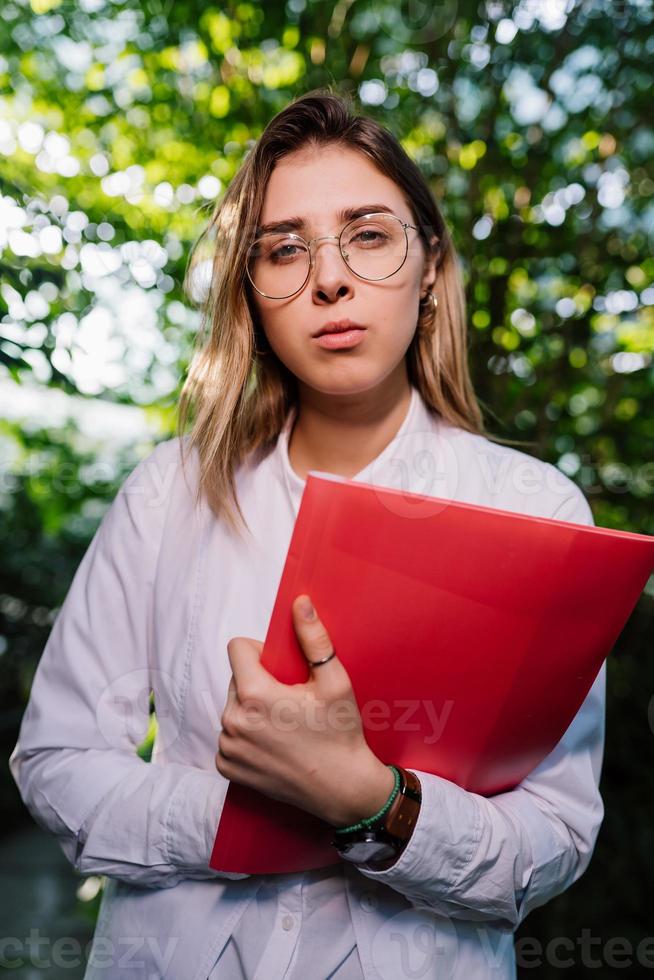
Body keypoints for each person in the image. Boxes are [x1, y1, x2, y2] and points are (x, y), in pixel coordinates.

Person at [10, 88, 605, 980]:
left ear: (431, 266)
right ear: (251, 293)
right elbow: (56, 759)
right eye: (284, 250)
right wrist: (247, 815)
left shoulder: (538, 512)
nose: (329, 278)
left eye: (368, 235)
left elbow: (554, 833)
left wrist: (371, 801)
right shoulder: (165, 497)